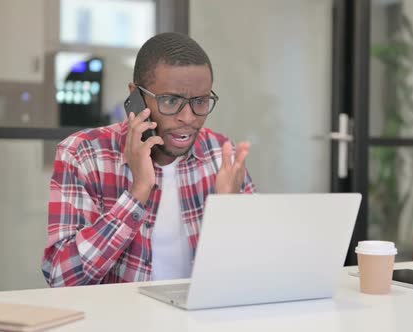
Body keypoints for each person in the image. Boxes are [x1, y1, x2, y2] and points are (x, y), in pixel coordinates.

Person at [41, 32, 256, 287]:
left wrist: (228, 213)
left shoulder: (221, 153)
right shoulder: (83, 154)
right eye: (171, 100)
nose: (188, 117)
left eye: (200, 101)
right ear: (136, 97)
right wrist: (137, 192)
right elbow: (62, 278)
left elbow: (254, 272)